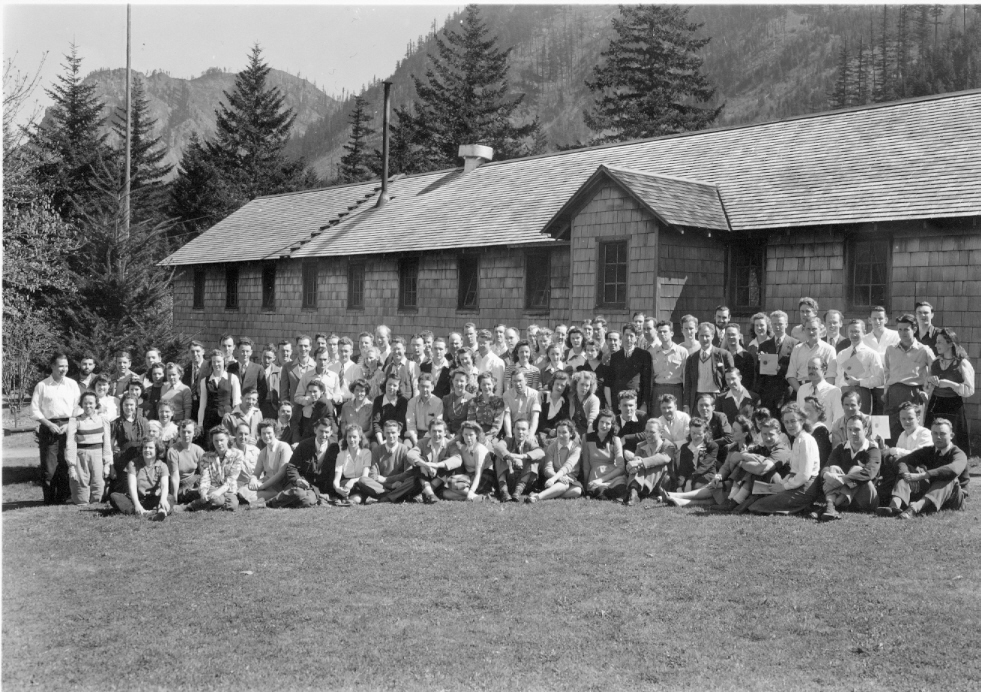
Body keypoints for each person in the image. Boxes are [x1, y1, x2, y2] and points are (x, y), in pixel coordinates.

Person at [876, 418, 969, 519]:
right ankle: (894, 506)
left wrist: (922, 476)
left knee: (948, 478)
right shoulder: (929, 451)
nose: (938, 437)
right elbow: (902, 461)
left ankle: (914, 509)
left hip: (954, 498)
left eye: (942, 434)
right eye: (935, 433)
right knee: (906, 472)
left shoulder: (958, 453)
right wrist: (908, 476)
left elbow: (953, 470)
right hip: (932, 494)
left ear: (951, 436)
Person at [664, 415, 754, 509]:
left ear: (745, 434)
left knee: (713, 488)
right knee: (713, 494)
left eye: (735, 431)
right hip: (729, 483)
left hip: (740, 486)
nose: (731, 433)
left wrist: (722, 483)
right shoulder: (732, 448)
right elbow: (726, 467)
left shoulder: (752, 450)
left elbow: (745, 474)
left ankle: (677, 496)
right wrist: (718, 476)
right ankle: (683, 502)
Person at [748, 405, 820, 515]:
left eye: (793, 421)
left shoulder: (806, 440)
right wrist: (781, 484)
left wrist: (783, 487)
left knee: (758, 506)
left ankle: (807, 508)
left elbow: (804, 475)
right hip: (796, 484)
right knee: (758, 502)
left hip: (806, 488)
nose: (789, 425)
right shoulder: (797, 439)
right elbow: (794, 471)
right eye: (786, 422)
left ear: (802, 421)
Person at [30, 353, 81, 504]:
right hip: (49, 426)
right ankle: (50, 498)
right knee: (49, 465)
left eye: (66, 366)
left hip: (68, 425)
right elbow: (34, 410)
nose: (64, 369)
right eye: (60, 366)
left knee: (66, 462)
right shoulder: (42, 385)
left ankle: (64, 497)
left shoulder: (72, 384)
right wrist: (49, 424)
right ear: (52, 366)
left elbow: (78, 407)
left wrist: (69, 424)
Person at [813, 414, 882, 521]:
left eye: (857, 429)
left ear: (866, 430)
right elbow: (826, 467)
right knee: (833, 469)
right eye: (849, 429)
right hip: (846, 498)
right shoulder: (841, 447)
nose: (852, 433)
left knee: (857, 470)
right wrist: (827, 475)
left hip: (865, 499)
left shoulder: (872, 449)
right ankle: (831, 507)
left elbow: (869, 473)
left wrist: (842, 479)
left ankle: (829, 505)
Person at [883, 314, 935, 442]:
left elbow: (934, 372)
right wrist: (886, 392)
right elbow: (887, 373)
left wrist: (927, 392)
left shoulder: (924, 350)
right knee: (890, 428)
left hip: (913, 393)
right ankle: (890, 457)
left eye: (906, 329)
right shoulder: (890, 349)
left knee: (912, 429)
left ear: (914, 329)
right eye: (899, 329)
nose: (902, 333)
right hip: (893, 393)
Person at [925, 328, 974, 456]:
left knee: (954, 438)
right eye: (936, 342)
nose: (936, 345)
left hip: (954, 405)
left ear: (950, 343)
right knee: (933, 437)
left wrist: (950, 384)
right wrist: (930, 380)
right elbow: (926, 387)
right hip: (936, 403)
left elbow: (969, 390)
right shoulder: (935, 362)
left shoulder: (962, 363)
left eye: (940, 342)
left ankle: (957, 467)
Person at [268, 417, 336, 508]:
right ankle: (268, 503)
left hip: (321, 489)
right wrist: (297, 479)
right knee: (300, 494)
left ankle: (311, 499)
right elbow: (292, 466)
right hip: (305, 485)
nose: (323, 435)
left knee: (306, 501)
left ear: (331, 432)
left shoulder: (335, 448)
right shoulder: (304, 445)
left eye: (327, 432)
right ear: (315, 430)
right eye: (321, 431)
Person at [64, 391, 112, 505]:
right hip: (81, 455)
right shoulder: (75, 421)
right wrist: (71, 465)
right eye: (85, 403)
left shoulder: (103, 420)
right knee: (80, 480)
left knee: (98, 481)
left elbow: (107, 442)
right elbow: (70, 443)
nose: (88, 406)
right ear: (81, 404)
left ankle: (95, 502)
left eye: (91, 403)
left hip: (98, 454)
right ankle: (82, 501)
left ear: (96, 404)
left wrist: (107, 463)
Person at [109, 437, 173, 520]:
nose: (147, 450)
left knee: (170, 498)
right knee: (114, 496)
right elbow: (132, 486)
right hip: (136, 498)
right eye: (145, 447)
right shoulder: (133, 463)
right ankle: (140, 511)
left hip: (153, 498)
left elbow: (164, 486)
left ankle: (161, 512)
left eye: (150, 448)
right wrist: (137, 504)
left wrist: (163, 499)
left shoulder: (162, 466)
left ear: (157, 450)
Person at [187, 427, 245, 511]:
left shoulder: (238, 454)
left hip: (228, 488)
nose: (219, 443)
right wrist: (203, 493)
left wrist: (218, 492)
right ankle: (195, 504)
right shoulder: (206, 456)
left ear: (227, 439)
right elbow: (205, 478)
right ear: (212, 441)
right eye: (216, 441)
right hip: (212, 487)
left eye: (222, 440)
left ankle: (199, 504)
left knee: (233, 506)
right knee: (217, 501)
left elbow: (231, 479)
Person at [682, 323, 734, 415]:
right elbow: (688, 383)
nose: (704, 339)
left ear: (713, 336)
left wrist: (723, 395)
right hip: (697, 397)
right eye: (701, 336)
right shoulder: (692, 358)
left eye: (707, 336)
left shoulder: (723, 354)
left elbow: (731, 377)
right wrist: (686, 404)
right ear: (698, 336)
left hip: (717, 397)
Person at [834, 319, 884, 414]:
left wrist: (859, 382)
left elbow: (880, 379)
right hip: (844, 393)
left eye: (857, 331)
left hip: (862, 392)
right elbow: (838, 378)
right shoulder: (842, 354)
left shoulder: (871, 354)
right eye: (851, 332)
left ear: (864, 332)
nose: (854, 335)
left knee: (861, 423)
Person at [358, 420, 415, 502]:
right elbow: (373, 476)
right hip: (382, 487)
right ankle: (393, 496)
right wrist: (391, 485)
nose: (390, 435)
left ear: (398, 433)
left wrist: (386, 479)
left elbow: (408, 473)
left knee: (413, 479)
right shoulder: (376, 450)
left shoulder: (405, 449)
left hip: (400, 485)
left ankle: (388, 497)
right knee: (362, 480)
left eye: (393, 432)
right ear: (384, 433)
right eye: (388, 433)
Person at [527, 420, 583, 503]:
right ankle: (538, 497)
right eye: (558, 432)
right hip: (554, 479)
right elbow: (547, 469)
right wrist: (558, 478)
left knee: (577, 491)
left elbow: (568, 466)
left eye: (564, 432)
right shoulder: (552, 447)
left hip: (570, 479)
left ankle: (546, 494)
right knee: (564, 484)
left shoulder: (577, 448)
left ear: (571, 434)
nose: (560, 435)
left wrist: (554, 478)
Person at [623, 418, 676, 505]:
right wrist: (633, 464)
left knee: (658, 464)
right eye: (646, 431)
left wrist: (640, 462)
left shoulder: (669, 446)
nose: (648, 435)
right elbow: (635, 464)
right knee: (637, 462)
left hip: (663, 483)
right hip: (642, 480)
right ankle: (634, 493)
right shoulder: (640, 446)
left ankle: (639, 492)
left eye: (652, 432)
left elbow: (663, 459)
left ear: (661, 433)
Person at [756, 310, 798, 415]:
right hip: (768, 394)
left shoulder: (795, 344)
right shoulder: (764, 345)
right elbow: (758, 372)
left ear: (786, 324)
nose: (777, 327)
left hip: (786, 393)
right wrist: (761, 362)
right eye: (774, 324)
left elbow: (797, 368)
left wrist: (779, 368)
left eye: (780, 324)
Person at [492, 417, 545, 502]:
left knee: (534, 458)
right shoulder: (508, 440)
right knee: (500, 456)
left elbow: (541, 452)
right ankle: (504, 491)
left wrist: (523, 456)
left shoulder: (530, 443)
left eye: (523, 429)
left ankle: (518, 491)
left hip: (525, 480)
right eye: (518, 429)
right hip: (509, 477)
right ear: (513, 430)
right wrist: (512, 458)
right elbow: (497, 447)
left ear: (528, 431)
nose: (520, 432)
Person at [405, 419, 458, 503]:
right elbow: (410, 455)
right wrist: (426, 465)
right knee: (420, 461)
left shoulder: (451, 444)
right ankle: (430, 494)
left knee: (447, 462)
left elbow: (457, 459)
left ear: (445, 433)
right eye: (434, 431)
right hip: (425, 477)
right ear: (429, 432)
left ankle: (427, 492)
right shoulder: (422, 442)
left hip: (441, 481)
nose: (437, 434)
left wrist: (437, 465)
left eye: (440, 431)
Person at [441, 421, 494, 501]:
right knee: (445, 493)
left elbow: (478, 474)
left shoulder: (479, 449)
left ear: (476, 435)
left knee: (452, 483)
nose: (468, 438)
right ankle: (478, 498)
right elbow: (451, 442)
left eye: (471, 435)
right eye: (466, 434)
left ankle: (471, 494)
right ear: (462, 434)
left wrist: (471, 491)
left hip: (483, 476)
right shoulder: (463, 447)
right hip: (469, 476)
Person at [787, 316, 839, 396]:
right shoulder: (797, 349)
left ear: (820, 330)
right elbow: (791, 375)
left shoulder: (829, 349)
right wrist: (801, 392)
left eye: (814, 329)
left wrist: (818, 393)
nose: (811, 332)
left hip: (822, 393)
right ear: (804, 330)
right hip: (799, 390)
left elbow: (831, 376)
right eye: (808, 329)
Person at [863, 307, 900, 414]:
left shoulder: (896, 336)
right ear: (869, 320)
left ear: (886, 320)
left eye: (880, 318)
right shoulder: (864, 339)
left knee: (890, 416)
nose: (877, 321)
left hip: (891, 385)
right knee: (875, 417)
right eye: (874, 318)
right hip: (871, 386)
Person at [582, 409, 626, 500]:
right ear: (597, 422)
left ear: (612, 426)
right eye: (602, 422)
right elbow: (586, 466)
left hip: (612, 475)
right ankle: (602, 492)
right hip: (595, 474)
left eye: (608, 423)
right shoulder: (586, 438)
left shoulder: (615, 440)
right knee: (597, 488)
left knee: (621, 485)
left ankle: (608, 492)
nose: (604, 426)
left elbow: (621, 467)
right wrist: (585, 486)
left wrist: (601, 480)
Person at [198, 350, 241, 441]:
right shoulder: (205, 381)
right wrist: (200, 424)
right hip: (210, 419)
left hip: (227, 418)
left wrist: (235, 420)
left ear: (224, 362)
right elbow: (202, 405)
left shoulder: (232, 378)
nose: (216, 364)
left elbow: (237, 402)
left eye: (219, 361)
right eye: (214, 362)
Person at [608, 326, 653, 414]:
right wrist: (612, 404)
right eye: (626, 335)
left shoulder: (644, 355)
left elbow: (647, 381)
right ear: (622, 337)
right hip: (619, 401)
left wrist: (644, 403)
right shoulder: (615, 356)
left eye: (631, 336)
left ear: (636, 338)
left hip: (637, 399)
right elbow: (612, 382)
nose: (628, 338)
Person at [248, 419, 293, 503]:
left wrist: (262, 486)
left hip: (281, 485)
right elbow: (256, 473)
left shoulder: (284, 447)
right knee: (244, 490)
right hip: (267, 484)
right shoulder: (263, 452)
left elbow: (281, 474)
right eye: (263, 433)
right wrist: (253, 480)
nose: (266, 436)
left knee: (251, 495)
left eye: (269, 433)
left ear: (275, 433)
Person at [332, 423, 372, 506]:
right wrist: (337, 488)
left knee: (362, 487)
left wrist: (352, 481)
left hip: (360, 483)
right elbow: (337, 478)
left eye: (354, 437)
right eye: (349, 437)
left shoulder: (366, 453)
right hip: (345, 483)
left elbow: (365, 476)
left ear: (360, 438)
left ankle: (350, 499)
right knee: (343, 486)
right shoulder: (341, 455)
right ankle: (346, 498)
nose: (351, 440)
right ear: (345, 438)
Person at [650, 320, 688, 407]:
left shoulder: (682, 352)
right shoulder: (653, 353)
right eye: (660, 332)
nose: (662, 334)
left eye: (665, 331)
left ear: (672, 333)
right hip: (658, 390)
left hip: (676, 390)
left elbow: (686, 377)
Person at [796, 357, 844, 424]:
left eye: (814, 368)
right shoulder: (802, 389)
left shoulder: (834, 391)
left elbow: (838, 418)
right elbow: (798, 415)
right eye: (809, 368)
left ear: (824, 370)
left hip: (825, 433)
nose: (810, 371)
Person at [167, 419, 204, 504]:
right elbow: (174, 476)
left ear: (194, 433)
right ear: (179, 433)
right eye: (183, 432)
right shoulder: (173, 450)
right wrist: (174, 498)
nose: (186, 435)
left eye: (189, 432)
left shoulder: (198, 450)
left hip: (193, 481)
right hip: (180, 484)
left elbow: (204, 472)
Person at [405, 373, 444, 448]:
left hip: (431, 434)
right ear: (418, 387)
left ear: (432, 387)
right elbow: (411, 425)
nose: (424, 389)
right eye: (422, 386)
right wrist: (416, 441)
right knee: (406, 447)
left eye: (427, 387)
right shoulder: (412, 402)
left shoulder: (438, 403)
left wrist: (424, 441)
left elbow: (436, 425)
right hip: (414, 434)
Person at [468, 372, 507, 442]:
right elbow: (471, 422)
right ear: (480, 386)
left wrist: (487, 438)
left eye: (488, 384)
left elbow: (497, 426)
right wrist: (478, 436)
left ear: (493, 385)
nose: (486, 387)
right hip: (476, 434)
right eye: (483, 384)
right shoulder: (474, 402)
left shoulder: (499, 402)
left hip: (493, 435)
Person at [227, 337, 268, 405]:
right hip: (234, 406)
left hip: (251, 407)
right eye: (242, 351)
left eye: (247, 351)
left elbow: (263, 391)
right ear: (237, 351)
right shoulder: (230, 368)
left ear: (251, 352)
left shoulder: (258, 369)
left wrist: (255, 403)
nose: (245, 354)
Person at [371, 374, 408, 446]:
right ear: (385, 385)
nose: (391, 387)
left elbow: (400, 423)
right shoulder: (378, 400)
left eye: (395, 385)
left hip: (396, 435)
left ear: (398, 388)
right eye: (389, 384)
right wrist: (381, 442)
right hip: (380, 435)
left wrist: (391, 439)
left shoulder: (402, 401)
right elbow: (376, 422)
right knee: (375, 448)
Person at [230, 422, 260, 506]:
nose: (243, 437)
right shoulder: (230, 452)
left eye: (246, 434)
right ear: (235, 434)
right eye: (240, 434)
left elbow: (261, 470)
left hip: (255, 484)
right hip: (239, 485)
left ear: (250, 435)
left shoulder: (255, 450)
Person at [280, 334, 316, 405]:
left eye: (305, 346)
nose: (303, 348)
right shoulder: (287, 367)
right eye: (300, 346)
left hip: (312, 408)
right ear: (296, 347)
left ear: (310, 347)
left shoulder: (316, 366)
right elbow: (284, 392)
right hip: (295, 408)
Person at [181, 341, 211, 425]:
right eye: (192, 351)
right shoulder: (185, 369)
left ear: (203, 352)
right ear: (188, 353)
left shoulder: (210, 367)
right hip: (191, 408)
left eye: (197, 351)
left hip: (206, 407)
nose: (195, 354)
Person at [577, 339, 612, 409]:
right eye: (587, 350)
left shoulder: (605, 369)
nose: (589, 353)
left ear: (598, 352)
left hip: (600, 404)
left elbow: (607, 388)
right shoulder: (581, 369)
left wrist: (610, 405)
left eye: (592, 350)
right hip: (584, 404)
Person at [722, 324, 756, 392]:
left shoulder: (747, 356)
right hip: (724, 395)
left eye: (733, 334)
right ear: (725, 336)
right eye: (728, 334)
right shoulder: (722, 355)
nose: (731, 337)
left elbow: (749, 381)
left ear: (739, 336)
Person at [614, 389, 649, 454]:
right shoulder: (615, 421)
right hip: (621, 455)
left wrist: (626, 438)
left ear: (636, 406)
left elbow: (647, 433)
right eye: (625, 405)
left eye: (631, 405)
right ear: (619, 406)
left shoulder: (642, 416)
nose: (628, 408)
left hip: (641, 455)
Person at [569, 370, 600, 439]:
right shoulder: (571, 397)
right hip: (574, 430)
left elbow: (593, 417)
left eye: (587, 385)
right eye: (582, 384)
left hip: (589, 430)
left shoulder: (594, 399)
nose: (584, 388)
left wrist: (589, 433)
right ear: (576, 384)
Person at [803, 396, 833, 467]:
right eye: (804, 410)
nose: (804, 413)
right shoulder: (804, 429)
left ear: (818, 412)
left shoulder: (821, 430)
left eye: (808, 410)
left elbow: (821, 458)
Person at [475, 330, 506, 396]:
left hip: (490, 401)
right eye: (479, 342)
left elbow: (499, 387)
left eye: (484, 343)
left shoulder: (498, 362)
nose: (481, 345)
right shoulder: (474, 359)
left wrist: (495, 403)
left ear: (490, 343)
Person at [260, 345, 282, 419]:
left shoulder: (279, 371)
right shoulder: (256, 370)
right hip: (259, 404)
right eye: (264, 357)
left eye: (269, 358)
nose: (266, 360)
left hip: (273, 406)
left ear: (274, 358)